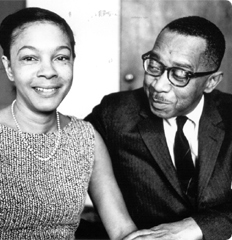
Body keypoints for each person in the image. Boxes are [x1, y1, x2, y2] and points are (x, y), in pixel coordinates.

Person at [0, 7, 139, 239]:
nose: (48, 71)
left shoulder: (86, 138)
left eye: (61, 57)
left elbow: (121, 230)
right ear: (9, 67)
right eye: (30, 58)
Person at [85, 16, 232, 240]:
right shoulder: (115, 112)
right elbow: (69, 144)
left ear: (211, 82)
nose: (158, 85)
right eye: (154, 66)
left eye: (180, 74)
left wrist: (195, 227)